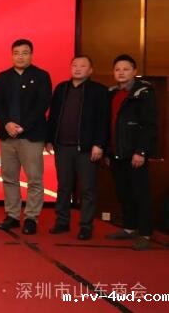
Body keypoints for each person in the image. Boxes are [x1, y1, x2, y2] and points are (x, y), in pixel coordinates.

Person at [46, 56, 109, 240]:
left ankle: (86, 226)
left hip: (87, 148)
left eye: (83, 66)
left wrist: (99, 144)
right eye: (74, 65)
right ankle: (62, 222)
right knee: (63, 187)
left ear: (90, 70)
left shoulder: (98, 90)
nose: (78, 68)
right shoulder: (61, 88)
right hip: (62, 147)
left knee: (87, 189)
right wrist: (49, 139)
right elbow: (53, 116)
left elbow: (103, 120)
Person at [0, 39, 52, 235]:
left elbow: (42, 104)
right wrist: (6, 123)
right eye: (16, 53)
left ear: (31, 55)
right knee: (9, 178)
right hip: (7, 135)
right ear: (12, 55)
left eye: (25, 53)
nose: (20, 56)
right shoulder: (3, 77)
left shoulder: (41, 76)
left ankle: (31, 218)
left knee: (34, 179)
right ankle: (12, 215)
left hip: (31, 136)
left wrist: (22, 126)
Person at [105, 54, 158, 251]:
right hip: (116, 152)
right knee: (123, 192)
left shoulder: (144, 92)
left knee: (140, 194)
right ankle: (129, 227)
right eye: (117, 69)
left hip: (135, 153)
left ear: (134, 72)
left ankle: (145, 233)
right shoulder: (111, 93)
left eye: (126, 69)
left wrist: (141, 152)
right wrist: (107, 151)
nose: (121, 73)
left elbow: (149, 126)